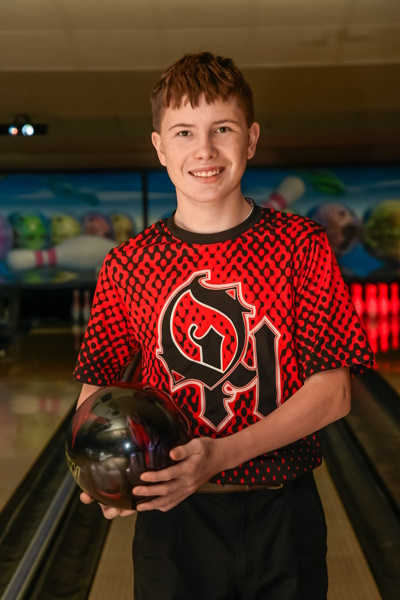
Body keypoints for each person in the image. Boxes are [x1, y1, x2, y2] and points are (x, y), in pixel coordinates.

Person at [73, 52, 374, 600]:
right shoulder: (127, 263)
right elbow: (96, 385)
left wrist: (220, 455)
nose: (204, 150)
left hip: (283, 513)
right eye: (184, 132)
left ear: (251, 138)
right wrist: (94, 463)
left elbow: (334, 394)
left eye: (223, 129)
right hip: (173, 525)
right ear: (160, 147)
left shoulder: (300, 245)